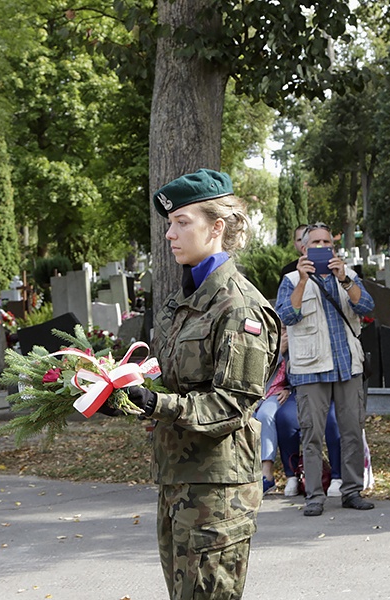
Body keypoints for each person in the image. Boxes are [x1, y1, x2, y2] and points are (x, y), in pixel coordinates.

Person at [114, 168, 279, 599]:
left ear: (217, 228)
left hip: (217, 489)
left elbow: (230, 406)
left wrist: (155, 405)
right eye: (170, 223)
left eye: (182, 222)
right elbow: (168, 381)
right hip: (177, 478)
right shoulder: (179, 302)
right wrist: (120, 394)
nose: (170, 234)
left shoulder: (238, 305)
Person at [276, 222, 376, 517]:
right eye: (315, 243)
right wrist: (304, 281)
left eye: (327, 243)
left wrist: (345, 280)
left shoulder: (349, 275)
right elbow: (287, 315)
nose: (322, 248)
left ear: (334, 247)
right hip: (309, 368)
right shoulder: (291, 279)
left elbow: (367, 308)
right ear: (304, 248)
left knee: (351, 431)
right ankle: (315, 496)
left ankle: (352, 490)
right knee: (311, 434)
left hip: (347, 365)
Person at [255, 322, 342, 497]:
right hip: (284, 393)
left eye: (287, 329)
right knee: (285, 418)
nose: (284, 333)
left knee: (332, 419)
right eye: (280, 329)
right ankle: (292, 475)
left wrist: (287, 387)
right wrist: (279, 352)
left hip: (321, 391)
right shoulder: (264, 343)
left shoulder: (306, 339)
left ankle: (337, 477)